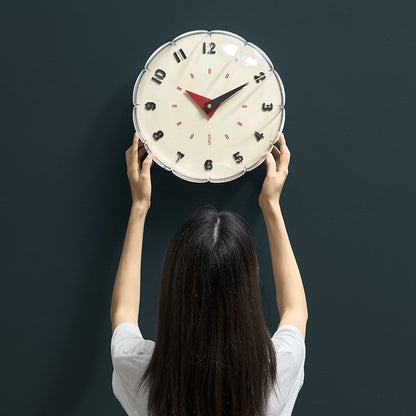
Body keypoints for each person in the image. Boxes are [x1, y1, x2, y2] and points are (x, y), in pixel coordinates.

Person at [110, 132, 308, 416]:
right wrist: (271, 206)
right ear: (247, 292)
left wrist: (139, 207)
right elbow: (295, 310)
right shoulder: (276, 371)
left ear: (173, 288)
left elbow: (123, 312)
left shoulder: (140, 372)